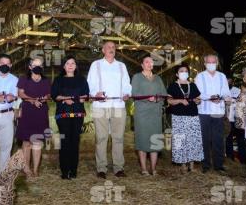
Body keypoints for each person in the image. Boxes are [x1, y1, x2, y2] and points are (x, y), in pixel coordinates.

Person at [87, 41, 132, 179]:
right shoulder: (96, 65)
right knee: (101, 138)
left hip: (118, 105)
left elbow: (126, 83)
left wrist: (127, 94)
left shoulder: (121, 66)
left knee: (118, 138)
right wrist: (95, 94)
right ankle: (101, 168)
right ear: (103, 50)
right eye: (108, 47)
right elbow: (90, 83)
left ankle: (118, 168)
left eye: (113, 47)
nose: (111, 49)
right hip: (100, 106)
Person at [51, 56, 89, 179]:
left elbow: (86, 95)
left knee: (75, 141)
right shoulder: (58, 80)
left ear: (76, 65)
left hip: (78, 113)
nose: (71, 65)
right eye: (68, 63)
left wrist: (75, 98)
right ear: (64, 66)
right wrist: (66, 99)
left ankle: (73, 170)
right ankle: (64, 170)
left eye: (73, 63)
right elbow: (55, 95)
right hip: (63, 114)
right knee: (64, 141)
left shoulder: (82, 80)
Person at [195, 54, 231, 173]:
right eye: (209, 62)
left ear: (216, 63)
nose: (211, 64)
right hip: (204, 111)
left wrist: (224, 97)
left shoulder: (222, 76)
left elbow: (226, 91)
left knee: (218, 139)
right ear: (205, 64)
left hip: (218, 111)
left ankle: (218, 165)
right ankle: (205, 165)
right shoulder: (200, 76)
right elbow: (198, 93)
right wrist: (210, 98)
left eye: (213, 62)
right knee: (204, 138)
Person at [131, 54, 167, 176]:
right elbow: (134, 94)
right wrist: (147, 99)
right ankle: (144, 169)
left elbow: (164, 95)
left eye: (151, 62)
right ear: (142, 64)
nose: (149, 64)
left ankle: (153, 168)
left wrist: (157, 100)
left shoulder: (158, 78)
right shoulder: (137, 77)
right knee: (142, 139)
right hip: (142, 113)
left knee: (155, 139)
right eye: (147, 62)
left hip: (155, 114)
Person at [16, 57, 51, 178]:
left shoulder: (46, 80)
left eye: (40, 65)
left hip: (41, 112)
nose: (38, 67)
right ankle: (26, 169)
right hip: (27, 111)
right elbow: (20, 93)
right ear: (30, 67)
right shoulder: (24, 79)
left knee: (37, 141)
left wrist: (44, 98)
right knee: (26, 142)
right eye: (35, 65)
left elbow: (48, 94)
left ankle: (35, 169)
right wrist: (32, 101)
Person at [167, 63, 204, 174]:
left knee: (193, 140)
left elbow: (198, 99)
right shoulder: (173, 86)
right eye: (181, 71)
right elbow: (169, 101)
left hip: (193, 116)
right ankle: (183, 165)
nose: (184, 73)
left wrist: (197, 100)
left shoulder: (192, 85)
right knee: (181, 140)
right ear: (177, 74)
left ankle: (192, 165)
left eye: (186, 71)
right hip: (179, 117)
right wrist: (180, 100)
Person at [225, 77, 246, 164]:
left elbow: (242, 101)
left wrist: (234, 101)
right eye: (226, 81)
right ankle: (230, 159)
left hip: (238, 119)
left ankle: (243, 160)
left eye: (229, 81)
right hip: (227, 120)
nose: (228, 82)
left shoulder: (237, 90)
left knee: (240, 140)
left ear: (232, 82)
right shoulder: (221, 91)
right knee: (228, 139)